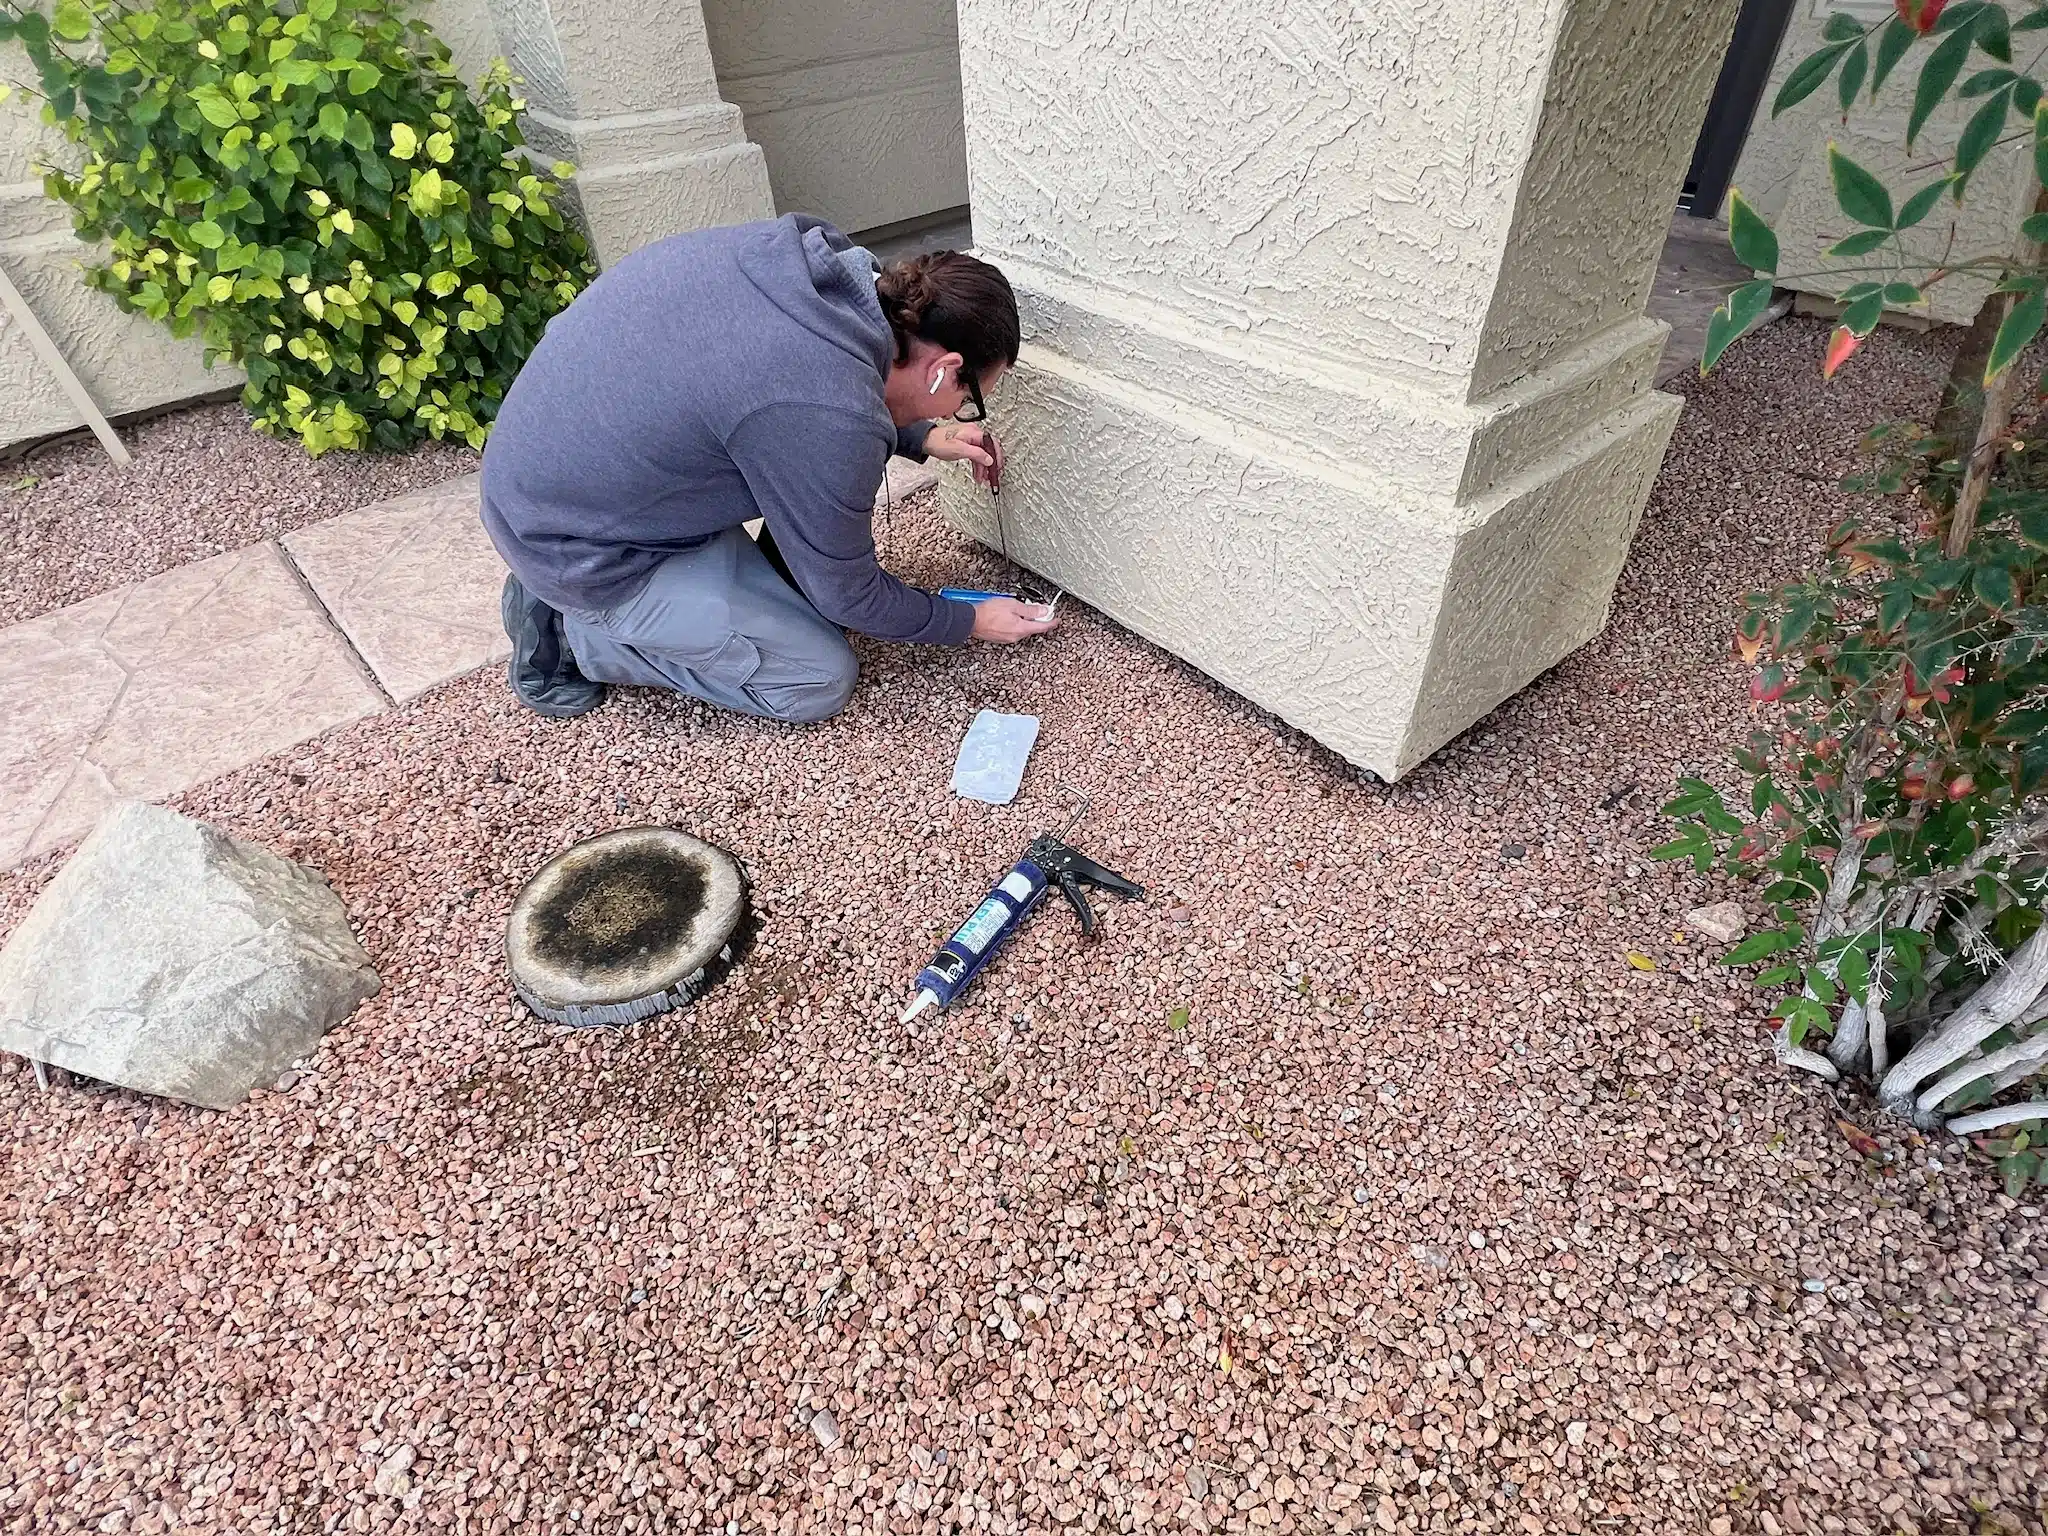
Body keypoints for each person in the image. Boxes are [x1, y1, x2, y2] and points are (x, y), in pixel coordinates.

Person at [479, 212, 1055, 723]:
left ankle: (639, 594)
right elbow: (848, 595)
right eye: (967, 400)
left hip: (560, 478)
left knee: (807, 537)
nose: (956, 414)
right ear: (943, 369)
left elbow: (775, 394)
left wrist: (922, 435)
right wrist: (967, 622)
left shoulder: (820, 276)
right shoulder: (826, 413)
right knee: (818, 678)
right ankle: (567, 634)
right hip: (579, 547)